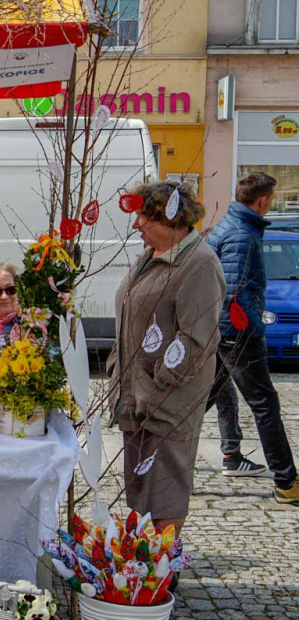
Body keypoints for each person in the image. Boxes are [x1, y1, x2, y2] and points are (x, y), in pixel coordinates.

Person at [110, 182, 225, 536]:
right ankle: (141, 565)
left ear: (168, 218)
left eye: (142, 217)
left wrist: (158, 384)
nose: (136, 225)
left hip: (167, 402)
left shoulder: (199, 264)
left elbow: (196, 338)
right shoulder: (151, 257)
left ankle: (161, 569)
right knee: (142, 486)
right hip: (137, 395)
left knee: (166, 489)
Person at [205, 172, 298, 504]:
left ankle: (159, 461)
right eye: (271, 199)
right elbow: (233, 291)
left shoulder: (230, 224)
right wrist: (248, 329)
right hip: (236, 334)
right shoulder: (243, 234)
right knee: (265, 405)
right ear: (262, 200)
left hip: (221, 330)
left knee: (200, 401)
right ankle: (287, 483)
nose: (271, 204)